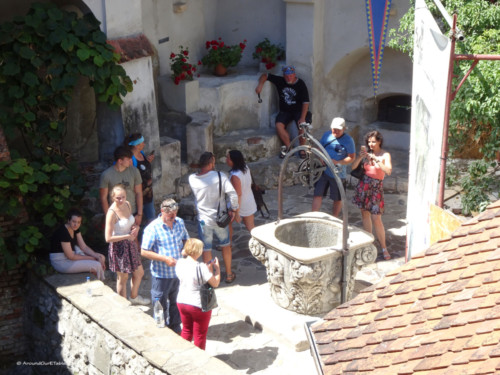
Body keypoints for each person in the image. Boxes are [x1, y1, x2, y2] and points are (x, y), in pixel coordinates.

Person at [188, 152, 239, 283]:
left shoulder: (192, 179)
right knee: (226, 245)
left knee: (206, 249)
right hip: (220, 219)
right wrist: (233, 209)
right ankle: (228, 274)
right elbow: (233, 194)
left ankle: (210, 277)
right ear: (211, 163)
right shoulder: (220, 176)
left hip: (203, 220)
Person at [141, 199, 189, 333]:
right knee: (159, 305)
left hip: (178, 273)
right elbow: (144, 251)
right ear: (162, 212)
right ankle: (161, 330)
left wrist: (186, 250)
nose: (174, 219)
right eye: (170, 217)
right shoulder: (153, 228)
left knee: (177, 302)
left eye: (175, 215)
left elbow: (185, 238)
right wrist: (164, 258)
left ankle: (175, 327)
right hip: (161, 275)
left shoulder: (179, 222)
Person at [105, 185, 149, 305]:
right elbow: (108, 238)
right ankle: (123, 306)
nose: (121, 200)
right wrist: (126, 237)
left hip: (130, 244)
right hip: (118, 247)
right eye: (118, 198)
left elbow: (131, 223)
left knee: (139, 273)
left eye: (123, 197)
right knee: (123, 278)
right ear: (113, 198)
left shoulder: (128, 204)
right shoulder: (111, 213)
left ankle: (134, 297)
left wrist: (136, 227)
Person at [351, 130, 392, 260]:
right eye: (369, 141)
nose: (371, 144)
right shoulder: (367, 154)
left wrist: (376, 160)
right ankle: (369, 242)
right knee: (365, 214)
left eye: (373, 141)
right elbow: (353, 168)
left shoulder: (385, 155)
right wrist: (360, 157)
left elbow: (388, 171)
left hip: (376, 188)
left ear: (379, 141)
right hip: (364, 186)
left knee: (376, 218)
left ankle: (384, 247)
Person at [255, 65, 312, 158]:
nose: (289, 77)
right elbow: (265, 75)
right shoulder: (280, 80)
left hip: (299, 110)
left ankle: (302, 148)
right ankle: (289, 147)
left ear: (294, 74)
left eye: (291, 75)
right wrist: (260, 85)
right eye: (287, 75)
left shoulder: (300, 83)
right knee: (278, 125)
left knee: (302, 127)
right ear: (284, 75)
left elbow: (306, 102)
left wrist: (302, 117)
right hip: (285, 111)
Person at [176, 238, 221, 350]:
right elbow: (215, 283)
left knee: (186, 330)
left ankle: (183, 354)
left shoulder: (179, 262)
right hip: (197, 304)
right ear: (198, 252)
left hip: (182, 301)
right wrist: (217, 270)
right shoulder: (201, 267)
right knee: (200, 335)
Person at [312, 117, 355, 217]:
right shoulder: (327, 135)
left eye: (338, 129)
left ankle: (334, 217)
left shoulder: (349, 140)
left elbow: (351, 157)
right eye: (334, 129)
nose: (335, 131)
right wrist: (320, 157)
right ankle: (313, 216)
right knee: (317, 194)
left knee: (337, 198)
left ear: (344, 129)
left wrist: (338, 162)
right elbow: (320, 147)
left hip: (338, 174)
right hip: (323, 171)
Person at [50, 208, 106, 280]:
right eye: (74, 221)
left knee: (102, 257)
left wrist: (97, 256)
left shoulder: (75, 229)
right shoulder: (63, 232)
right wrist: (93, 258)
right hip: (61, 262)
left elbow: (84, 247)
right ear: (68, 220)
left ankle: (92, 276)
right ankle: (96, 281)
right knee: (97, 264)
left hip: (71, 257)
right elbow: (71, 256)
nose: (76, 224)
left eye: (79, 222)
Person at [100, 145, 143, 227]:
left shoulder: (134, 171)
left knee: (133, 238)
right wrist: (109, 217)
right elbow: (103, 198)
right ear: (120, 161)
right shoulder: (106, 175)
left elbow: (139, 193)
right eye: (128, 159)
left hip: (132, 211)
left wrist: (139, 214)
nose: (131, 161)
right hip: (116, 214)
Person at [225, 150, 257, 242]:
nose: (226, 160)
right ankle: (260, 243)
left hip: (240, 204)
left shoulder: (235, 176)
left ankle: (228, 243)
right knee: (251, 227)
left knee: (227, 225)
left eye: (228, 158)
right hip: (249, 201)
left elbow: (238, 194)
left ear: (233, 160)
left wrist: (236, 212)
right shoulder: (246, 168)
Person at [124, 133, 156, 224]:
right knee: (137, 220)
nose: (144, 144)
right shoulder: (131, 159)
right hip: (138, 194)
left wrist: (148, 161)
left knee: (151, 218)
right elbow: (131, 178)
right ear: (136, 145)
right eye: (142, 143)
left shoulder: (141, 153)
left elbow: (143, 168)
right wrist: (147, 182)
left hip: (148, 193)